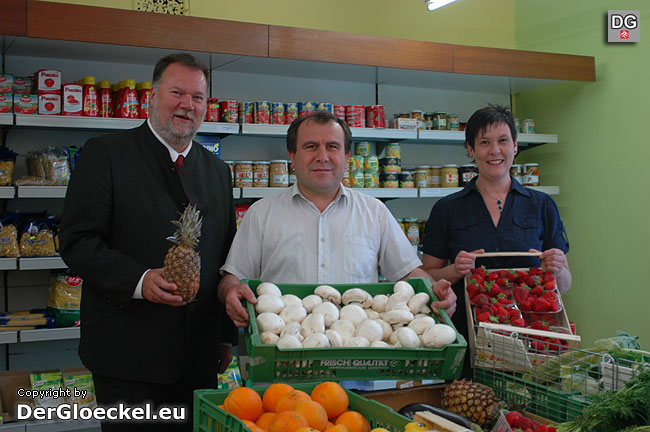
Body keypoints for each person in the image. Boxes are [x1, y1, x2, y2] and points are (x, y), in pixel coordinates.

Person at [60, 53, 237, 432]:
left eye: (198, 97)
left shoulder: (218, 172)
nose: (187, 105)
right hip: (127, 359)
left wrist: (224, 338)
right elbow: (77, 242)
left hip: (198, 358)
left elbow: (225, 259)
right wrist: (139, 281)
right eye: (177, 92)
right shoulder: (105, 155)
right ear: (152, 97)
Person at [218, 110, 456, 330]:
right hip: (283, 352)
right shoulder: (261, 213)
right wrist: (229, 291)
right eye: (311, 146)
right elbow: (233, 278)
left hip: (358, 355)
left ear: (346, 156)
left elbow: (407, 274)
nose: (322, 157)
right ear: (292, 155)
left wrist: (435, 290)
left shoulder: (375, 212)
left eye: (332, 146)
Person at [421, 104, 570, 376]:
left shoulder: (542, 205)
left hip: (533, 341)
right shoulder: (448, 209)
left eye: (503, 141)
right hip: (467, 340)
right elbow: (426, 277)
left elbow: (564, 285)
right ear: (471, 149)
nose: (495, 151)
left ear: (515, 145)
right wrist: (455, 271)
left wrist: (558, 267)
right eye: (484, 143)